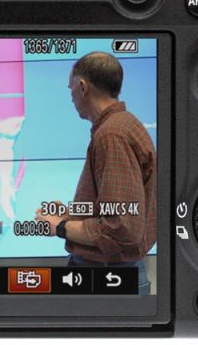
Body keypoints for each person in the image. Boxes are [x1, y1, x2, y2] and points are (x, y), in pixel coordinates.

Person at [35, 52, 157, 295]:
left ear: (83, 87)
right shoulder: (123, 125)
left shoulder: (112, 135)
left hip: (108, 280)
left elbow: (120, 228)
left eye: (70, 88)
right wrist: (71, 214)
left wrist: (60, 227)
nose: (70, 96)